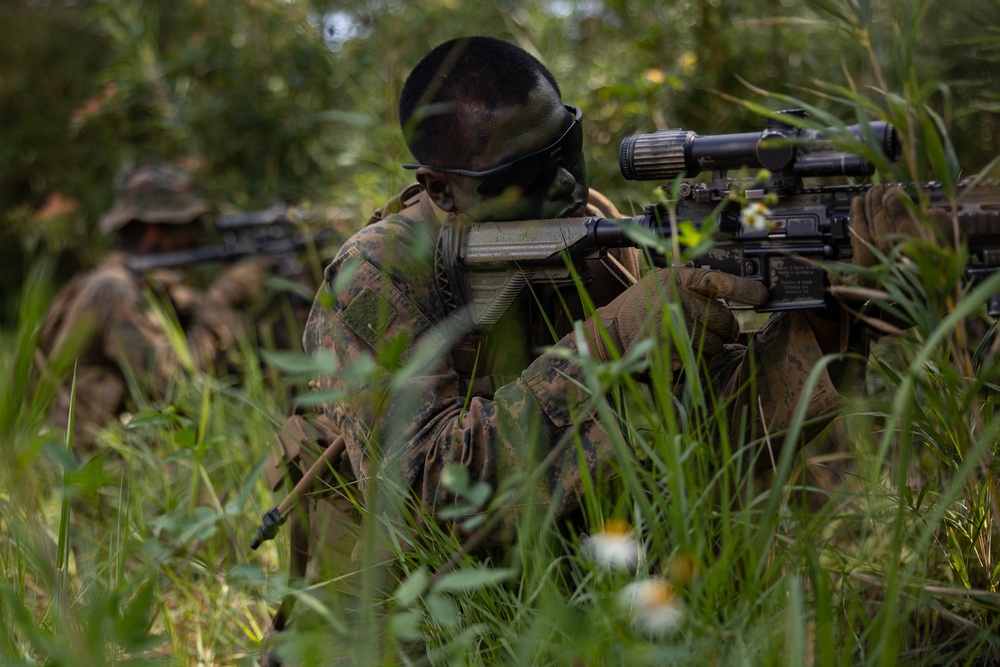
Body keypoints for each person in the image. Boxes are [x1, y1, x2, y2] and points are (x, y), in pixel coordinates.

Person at [263, 35, 917, 655]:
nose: (567, 187)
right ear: (441, 188)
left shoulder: (599, 240)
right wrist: (612, 341)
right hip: (408, 632)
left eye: (568, 146)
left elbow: (707, 440)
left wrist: (830, 319)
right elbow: (427, 500)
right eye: (528, 172)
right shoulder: (377, 276)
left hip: (586, 603)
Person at [37, 162, 270, 450]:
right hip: (89, 467)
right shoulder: (113, 289)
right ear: (153, 231)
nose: (196, 236)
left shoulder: (148, 284)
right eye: (188, 226)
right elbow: (175, 386)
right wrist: (224, 295)